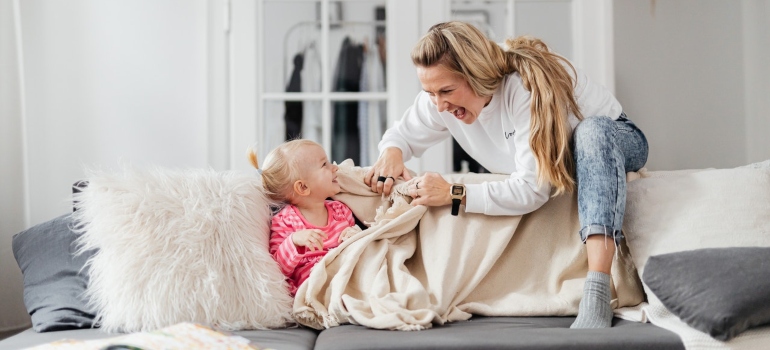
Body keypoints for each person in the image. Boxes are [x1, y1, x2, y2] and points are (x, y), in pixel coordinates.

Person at [363, 21, 648, 329]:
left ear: (476, 74)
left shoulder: (522, 89)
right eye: (430, 93)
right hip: (564, 156)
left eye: (446, 91)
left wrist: (454, 193)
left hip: (616, 137)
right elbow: (402, 134)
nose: (439, 105)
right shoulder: (438, 98)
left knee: (591, 131)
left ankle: (597, 289)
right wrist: (391, 152)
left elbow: (533, 189)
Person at [249, 139, 358, 296]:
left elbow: (358, 250)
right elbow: (278, 269)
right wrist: (294, 242)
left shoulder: (341, 211)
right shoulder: (285, 221)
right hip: (316, 289)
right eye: (324, 165)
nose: (334, 167)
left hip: (348, 279)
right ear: (303, 187)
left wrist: (354, 237)